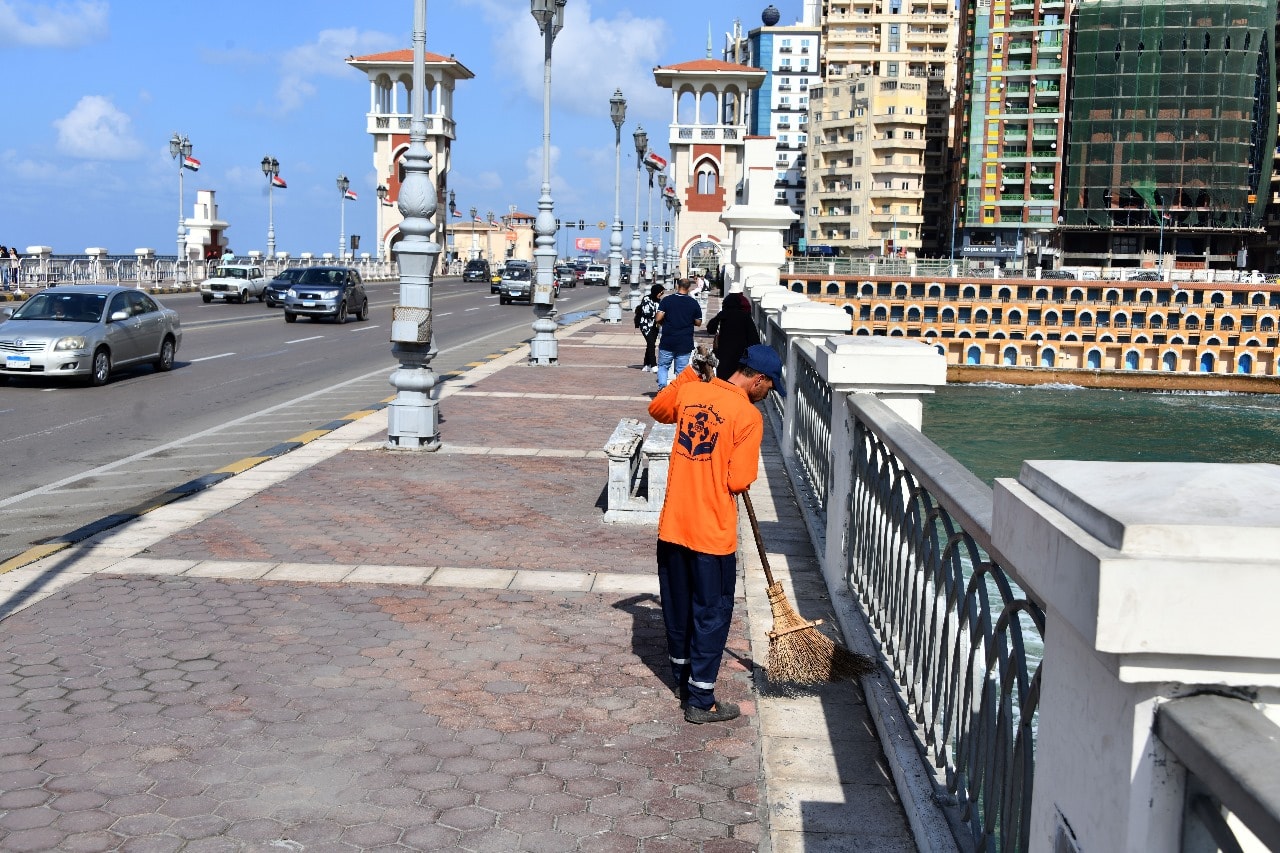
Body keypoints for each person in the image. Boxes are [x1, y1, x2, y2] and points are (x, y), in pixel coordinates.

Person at [648, 344, 786, 724]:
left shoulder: (692, 391)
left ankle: (682, 680)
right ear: (758, 379)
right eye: (770, 387)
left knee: (678, 607)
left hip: (674, 526)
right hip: (712, 534)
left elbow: (658, 409)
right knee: (710, 614)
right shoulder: (748, 416)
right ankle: (701, 699)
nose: (768, 394)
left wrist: (690, 374)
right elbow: (738, 480)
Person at [654, 278, 702, 388]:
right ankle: (678, 391)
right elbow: (698, 322)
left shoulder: (667, 300)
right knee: (681, 370)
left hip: (668, 340)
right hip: (685, 341)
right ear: (689, 288)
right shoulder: (693, 303)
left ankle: (662, 388)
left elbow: (658, 318)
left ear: (677, 286)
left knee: (663, 366)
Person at [706, 291, 760, 382]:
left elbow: (710, 329)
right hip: (741, 358)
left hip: (723, 357)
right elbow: (754, 340)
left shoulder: (723, 315)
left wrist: (719, 316)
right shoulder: (745, 317)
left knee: (723, 382)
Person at [636, 283, 664, 372]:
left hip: (655, 326)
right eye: (660, 292)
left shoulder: (659, 301)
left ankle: (646, 364)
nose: (661, 294)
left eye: (662, 293)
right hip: (646, 325)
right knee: (651, 344)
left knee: (650, 344)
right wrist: (658, 315)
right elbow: (647, 312)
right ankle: (653, 365)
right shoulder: (646, 299)